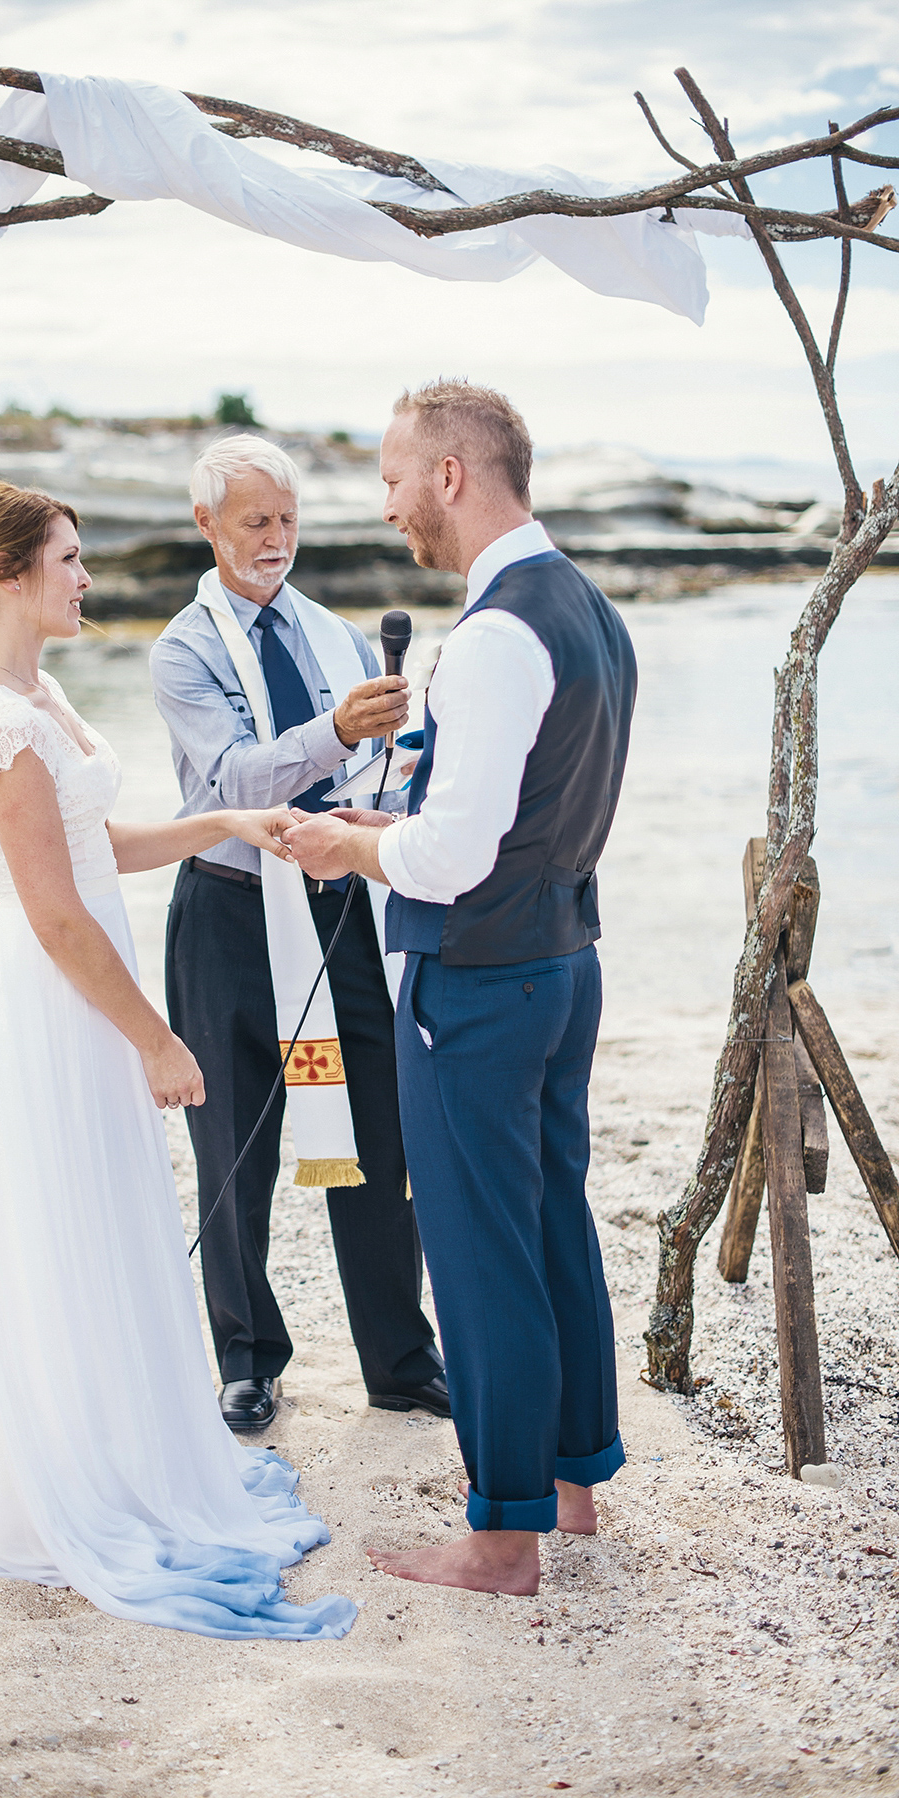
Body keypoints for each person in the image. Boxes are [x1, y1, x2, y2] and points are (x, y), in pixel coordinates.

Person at [0, 478, 355, 1643]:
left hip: (82, 993)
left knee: (107, 1221)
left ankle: (121, 1445)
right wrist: (160, 1036)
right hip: (54, 1003)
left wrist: (223, 824)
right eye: (71, 558)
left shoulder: (43, 694)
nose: (88, 576)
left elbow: (98, 848)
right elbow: (57, 915)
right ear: (9, 574)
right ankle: (64, 1484)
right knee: (64, 1225)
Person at [281, 381, 637, 1596]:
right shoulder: (589, 608)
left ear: (450, 475)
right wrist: (407, 818)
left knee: (481, 1251)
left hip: (476, 984)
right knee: (552, 1225)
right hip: (561, 963)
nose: (385, 507)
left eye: (390, 478)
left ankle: (499, 1539)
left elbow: (452, 858)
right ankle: (574, 1485)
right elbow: (531, 808)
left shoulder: (491, 636)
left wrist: (351, 845)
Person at [149, 436, 447, 1432]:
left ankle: (400, 1358)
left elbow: (374, 778)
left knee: (378, 1129)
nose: (275, 540)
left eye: (287, 521)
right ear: (208, 527)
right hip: (227, 908)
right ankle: (247, 1357)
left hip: (335, 903)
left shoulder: (336, 635)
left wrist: (404, 770)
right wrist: (339, 734)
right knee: (233, 1133)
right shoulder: (183, 648)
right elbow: (232, 782)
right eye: (254, 523)